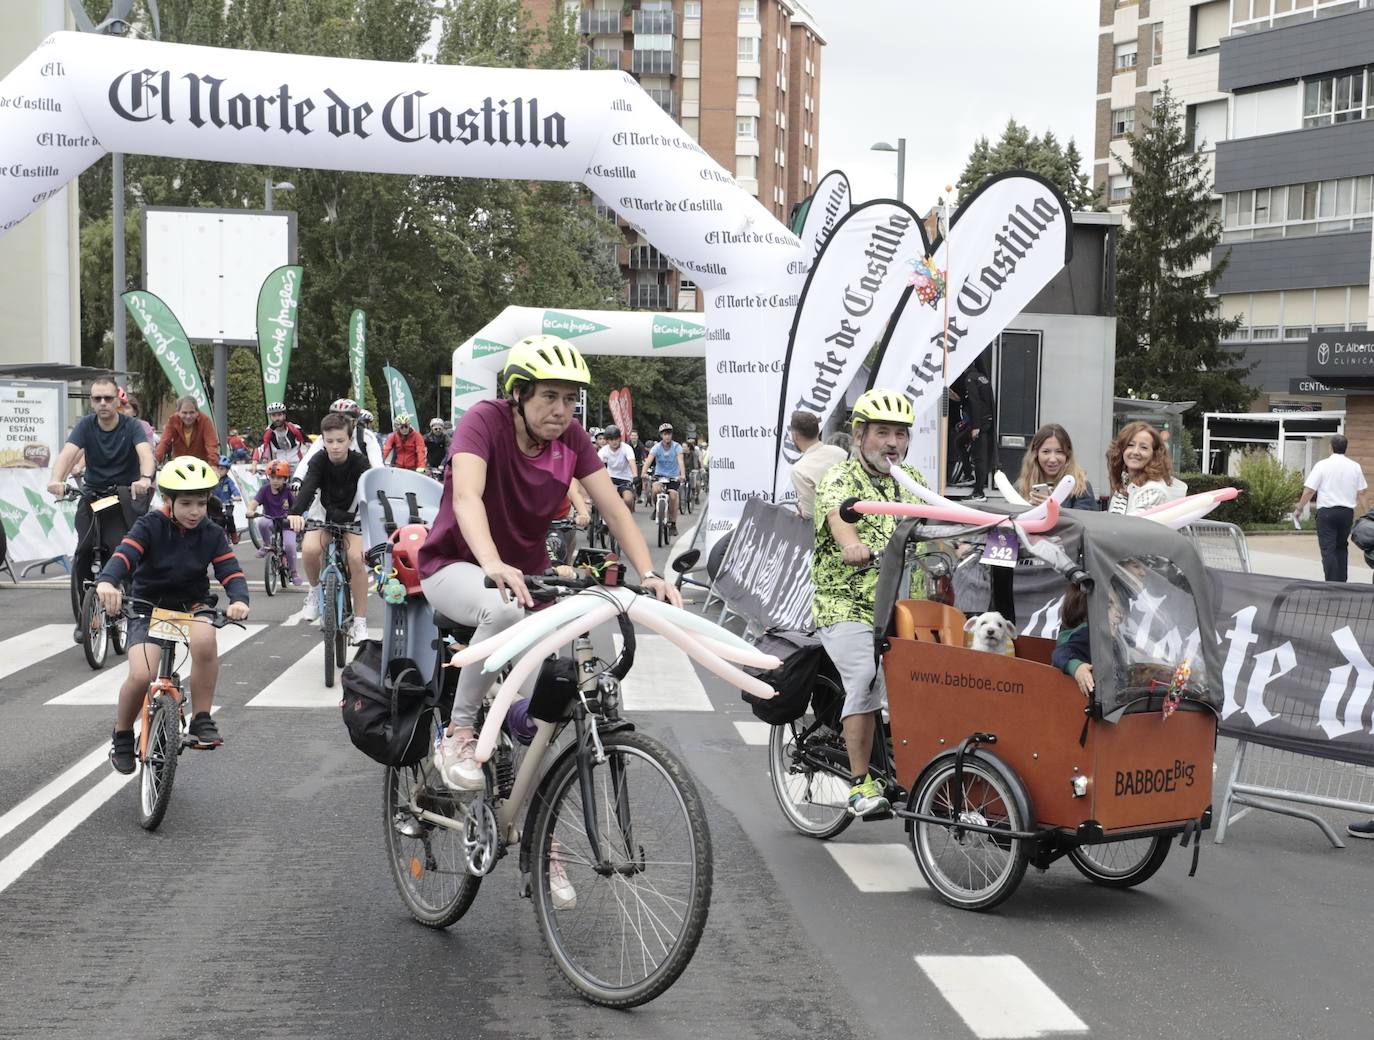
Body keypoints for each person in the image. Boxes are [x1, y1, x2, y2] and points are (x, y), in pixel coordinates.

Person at [417, 334, 681, 792]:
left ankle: (531, 817)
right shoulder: (483, 421)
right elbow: (466, 497)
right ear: (518, 394)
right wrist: (493, 563)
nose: (561, 410)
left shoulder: (572, 439)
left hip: (529, 579)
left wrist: (651, 573)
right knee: (501, 609)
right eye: (549, 397)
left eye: (569, 400)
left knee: (557, 693)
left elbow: (615, 510)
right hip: (456, 565)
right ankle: (458, 732)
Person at [812, 388, 928, 818]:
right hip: (846, 604)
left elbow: (936, 519)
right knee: (864, 676)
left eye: (900, 434)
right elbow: (840, 515)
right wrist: (852, 544)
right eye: (882, 433)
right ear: (859, 436)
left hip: (901, 606)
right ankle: (860, 783)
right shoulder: (840, 477)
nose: (893, 443)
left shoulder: (911, 479)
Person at [94, 457, 250, 772]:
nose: (195, 511)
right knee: (141, 675)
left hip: (191, 604)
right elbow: (125, 554)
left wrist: (239, 599)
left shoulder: (211, 532)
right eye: (187, 503)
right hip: (148, 606)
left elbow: (229, 570)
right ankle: (122, 734)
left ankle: (202, 719)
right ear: (168, 500)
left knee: (205, 639)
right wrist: (108, 582)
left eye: (202, 503)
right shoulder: (150, 524)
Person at [47, 376, 156, 638]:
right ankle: (85, 617)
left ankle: (125, 594)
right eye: (97, 399)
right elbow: (68, 453)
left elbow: (145, 454)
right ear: (91, 402)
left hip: (122, 496)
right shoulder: (86, 425)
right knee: (83, 552)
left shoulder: (131, 426)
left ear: (118, 400)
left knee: (119, 548)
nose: (103, 403)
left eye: (108, 398)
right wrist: (56, 479)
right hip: (92, 495)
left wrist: (144, 478)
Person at [289, 413, 372, 644]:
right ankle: (315, 593)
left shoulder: (359, 462)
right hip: (323, 514)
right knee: (309, 549)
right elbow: (309, 486)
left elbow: (370, 490)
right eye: (329, 441)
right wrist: (296, 512)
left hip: (352, 517)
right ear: (323, 441)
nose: (335, 446)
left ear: (349, 440)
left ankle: (360, 623)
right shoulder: (318, 460)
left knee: (356, 558)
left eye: (340, 441)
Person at [1294, 434, 1368, 582]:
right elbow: (1362, 493)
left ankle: (1331, 584)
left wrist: (1299, 508)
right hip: (1346, 513)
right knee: (1341, 547)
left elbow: (1309, 491)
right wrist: (1368, 515)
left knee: (1328, 549)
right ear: (1346, 448)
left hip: (1327, 513)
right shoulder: (1355, 466)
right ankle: (1341, 582)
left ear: (1331, 447)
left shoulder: (1322, 465)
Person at [1017, 424, 1099, 510]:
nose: (1052, 459)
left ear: (1068, 454)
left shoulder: (1081, 487)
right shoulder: (1021, 485)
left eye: (1059, 452)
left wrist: (1056, 509)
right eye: (1046, 451)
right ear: (1035, 454)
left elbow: (1083, 521)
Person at [246, 459, 301, 584]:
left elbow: (297, 507)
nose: (275, 481)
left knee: (290, 545)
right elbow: (254, 503)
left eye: (279, 478)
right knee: (261, 522)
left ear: (286, 479)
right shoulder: (264, 490)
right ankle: (267, 545)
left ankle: (293, 572)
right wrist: (250, 510)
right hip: (271, 520)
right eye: (272, 477)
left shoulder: (289, 492)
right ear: (268, 477)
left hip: (287, 523)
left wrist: (296, 516)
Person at [293, 398, 384, 474]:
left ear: (355, 421)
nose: (340, 423)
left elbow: (377, 465)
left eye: (346, 420)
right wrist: (298, 478)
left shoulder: (366, 436)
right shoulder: (323, 437)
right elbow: (307, 460)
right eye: (336, 419)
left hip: (359, 480)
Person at [787, 409, 848, 519]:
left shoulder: (799, 471)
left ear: (795, 435)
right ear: (817, 431)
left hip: (831, 528)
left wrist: (801, 508)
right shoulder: (841, 453)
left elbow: (811, 514)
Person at [1105, 421, 1173, 516]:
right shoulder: (1126, 484)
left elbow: (1132, 528)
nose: (1135, 452)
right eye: (1130, 445)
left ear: (1155, 455)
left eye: (1144, 447)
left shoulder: (1152, 491)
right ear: (1120, 450)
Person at [643, 422, 685, 535]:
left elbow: (680, 461)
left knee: (673, 496)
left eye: (669, 434)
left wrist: (682, 475)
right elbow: (648, 461)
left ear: (671, 435)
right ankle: (657, 508)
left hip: (673, 476)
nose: (667, 436)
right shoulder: (656, 447)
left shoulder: (677, 447)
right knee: (655, 489)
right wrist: (643, 473)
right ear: (661, 435)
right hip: (660, 475)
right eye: (665, 434)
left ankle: (673, 524)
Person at [963, 357, 995, 503]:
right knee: (961, 443)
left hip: (980, 424)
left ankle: (978, 492)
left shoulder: (970, 378)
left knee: (979, 458)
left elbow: (975, 402)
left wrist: (975, 426)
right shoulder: (982, 377)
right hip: (987, 421)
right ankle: (970, 477)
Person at [156, 396, 219, 465]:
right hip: (179, 464)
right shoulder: (172, 420)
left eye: (192, 412)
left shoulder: (205, 420)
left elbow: (211, 444)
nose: (188, 416)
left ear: (197, 412)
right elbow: (164, 442)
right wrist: (156, 460)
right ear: (178, 412)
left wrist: (213, 464)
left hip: (200, 464)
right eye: (184, 413)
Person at [598, 425, 638, 510]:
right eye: (611, 439)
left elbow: (632, 462)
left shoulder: (627, 448)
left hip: (625, 478)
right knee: (604, 499)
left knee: (628, 499)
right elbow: (597, 466)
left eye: (616, 439)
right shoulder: (603, 451)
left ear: (620, 438)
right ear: (607, 441)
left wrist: (635, 475)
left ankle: (628, 516)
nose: (614, 442)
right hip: (610, 478)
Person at [259, 403, 306, 467]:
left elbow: (308, 444)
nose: (277, 418)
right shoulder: (268, 432)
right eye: (274, 415)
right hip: (279, 465)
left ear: (284, 415)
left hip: (297, 463)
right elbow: (261, 448)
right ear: (270, 417)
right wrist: (255, 463)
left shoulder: (295, 429)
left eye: (279, 415)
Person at [209, 455, 242, 544]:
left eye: (222, 469)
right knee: (210, 519)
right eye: (218, 468)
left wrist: (237, 496)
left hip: (227, 504)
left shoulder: (228, 481)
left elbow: (234, 489)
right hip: (215, 504)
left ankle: (233, 534)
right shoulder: (212, 480)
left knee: (229, 517)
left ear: (227, 470)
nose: (219, 471)